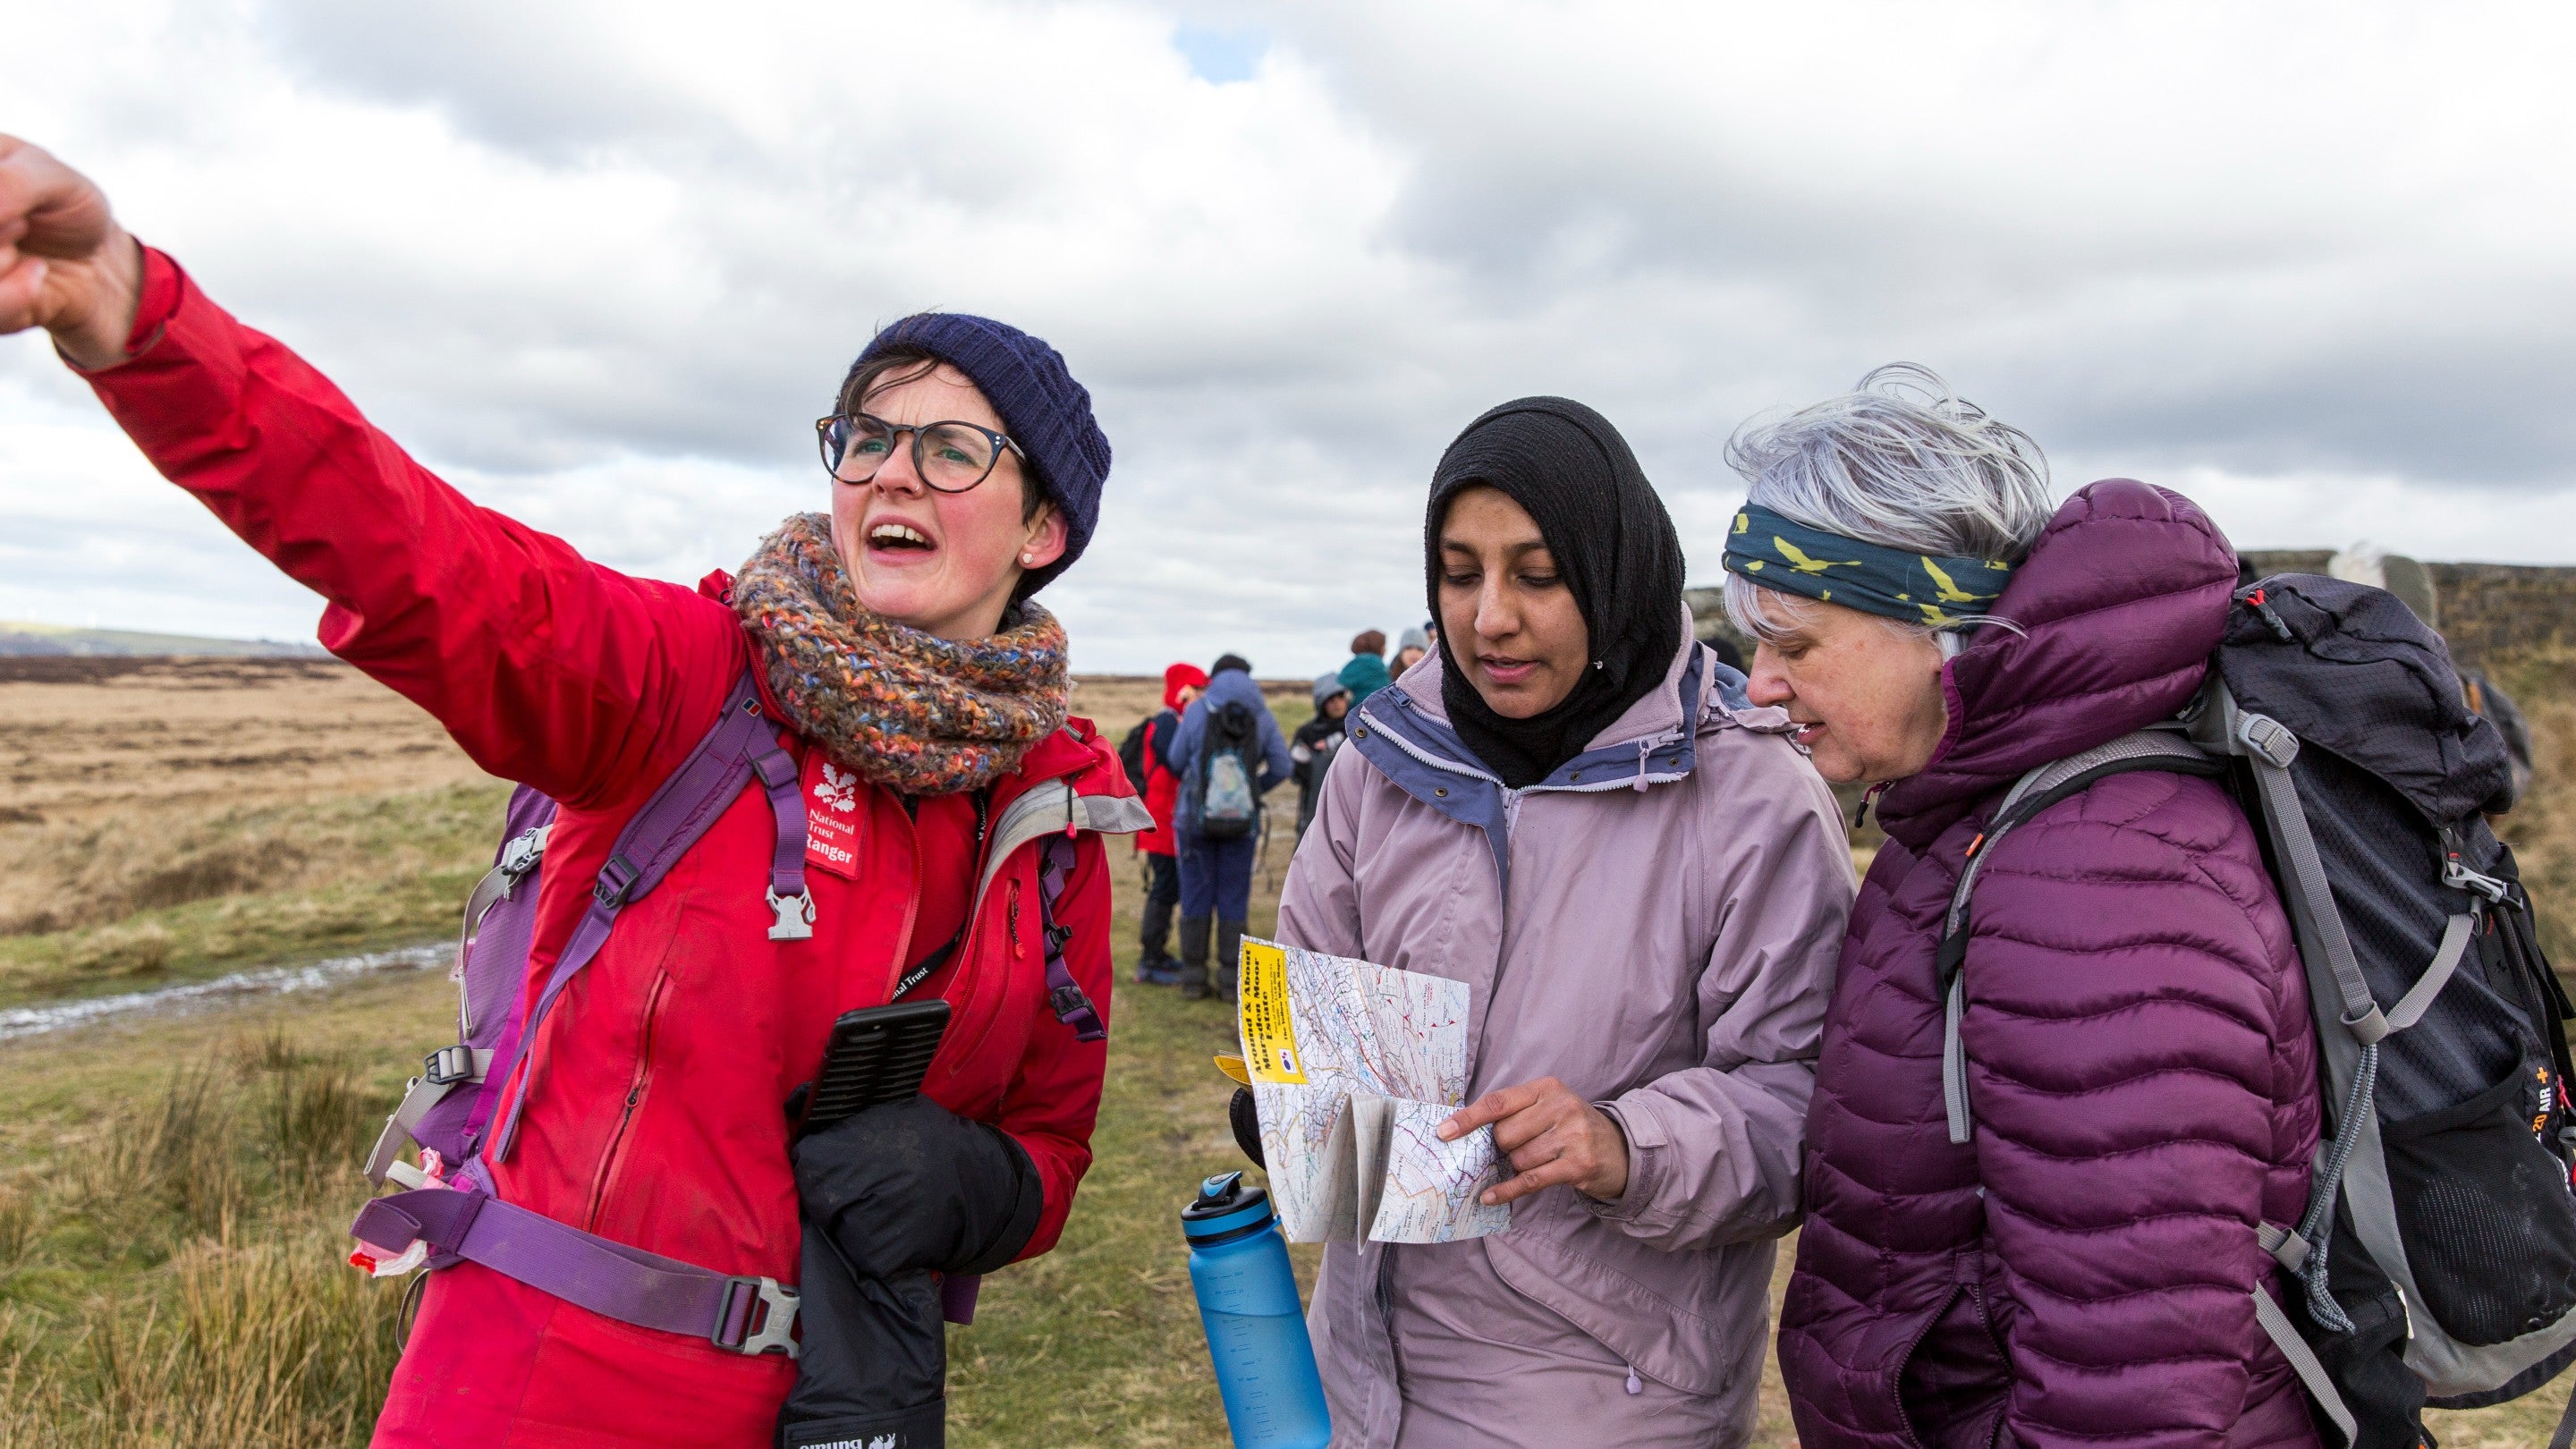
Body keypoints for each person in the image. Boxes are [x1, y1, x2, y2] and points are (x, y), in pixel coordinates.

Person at [0, 137, 1149, 1448]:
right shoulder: (686, 685)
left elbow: (1055, 1144)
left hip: (840, 1405)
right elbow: (417, 554)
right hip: (538, 1391)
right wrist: (142, 320)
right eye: (867, 435)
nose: (890, 471)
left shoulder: (1054, 814)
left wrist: (982, 1189)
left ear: (1044, 529)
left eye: (949, 449)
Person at [1741, 368, 2328, 1449]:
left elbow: (2135, 1389)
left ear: (1937, 629)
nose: (1758, 685)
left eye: (1796, 644)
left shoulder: (2093, 881)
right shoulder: (1979, 824)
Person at [1278, 397, 1852, 1447]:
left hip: (1607, 1401)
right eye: (1460, 573)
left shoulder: (1753, 797)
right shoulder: (1380, 760)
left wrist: (1624, 1144)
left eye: (1537, 576)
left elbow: (1805, 1107)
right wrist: (1304, 1116)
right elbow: (1315, 1034)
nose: (1490, 615)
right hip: (1356, 1384)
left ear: (1615, 571)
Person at [1165, 653, 1292, 1001]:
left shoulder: (1195, 712)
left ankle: (1193, 978)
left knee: (1195, 895)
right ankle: (1230, 982)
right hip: (1242, 826)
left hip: (1194, 821)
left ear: (1215, 677)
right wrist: (1251, 793)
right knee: (1234, 900)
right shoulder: (1262, 715)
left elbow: (1176, 761)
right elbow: (1282, 766)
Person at [1133, 662, 1208, 986]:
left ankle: (1159, 955)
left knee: (1171, 889)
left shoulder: (1175, 720)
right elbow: (1177, 762)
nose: (1202, 694)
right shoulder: (1165, 723)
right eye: (1196, 688)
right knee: (1163, 891)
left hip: (1168, 819)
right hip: (1160, 821)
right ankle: (1149, 962)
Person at [1290, 673, 1350, 837]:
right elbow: (1295, 774)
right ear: (1321, 703)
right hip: (1313, 806)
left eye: (1340, 696)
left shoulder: (1356, 730)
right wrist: (1303, 761)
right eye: (1330, 699)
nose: (1337, 703)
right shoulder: (1307, 732)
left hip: (1348, 805)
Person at [1338, 629, 1394, 707]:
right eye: (1383, 645)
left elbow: (1340, 683)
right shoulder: (1374, 663)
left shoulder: (1354, 663)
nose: (1385, 649)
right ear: (1377, 646)